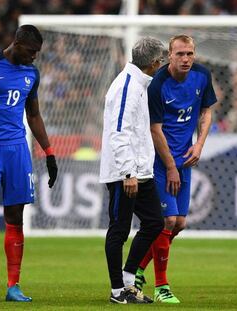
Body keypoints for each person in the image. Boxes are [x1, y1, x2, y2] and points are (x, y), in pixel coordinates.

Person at [0, 25, 58, 302]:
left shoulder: (32, 73)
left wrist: (50, 152)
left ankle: (13, 286)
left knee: (15, 216)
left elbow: (34, 115)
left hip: (18, 149)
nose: (34, 57)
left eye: (37, 53)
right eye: (31, 51)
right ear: (16, 43)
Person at [135, 34, 217, 303]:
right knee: (166, 221)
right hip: (160, 161)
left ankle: (137, 269)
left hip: (185, 160)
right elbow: (155, 129)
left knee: (179, 223)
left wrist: (199, 145)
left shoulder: (202, 76)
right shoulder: (158, 84)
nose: (186, 59)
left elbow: (207, 111)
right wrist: (170, 166)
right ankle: (161, 287)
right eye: (180, 54)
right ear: (169, 55)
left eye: (190, 54)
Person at [99, 36, 165, 304]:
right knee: (120, 229)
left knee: (154, 222)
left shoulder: (138, 83)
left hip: (140, 170)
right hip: (123, 173)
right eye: (160, 61)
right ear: (153, 63)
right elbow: (119, 133)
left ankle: (128, 280)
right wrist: (128, 173)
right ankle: (117, 291)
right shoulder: (126, 86)